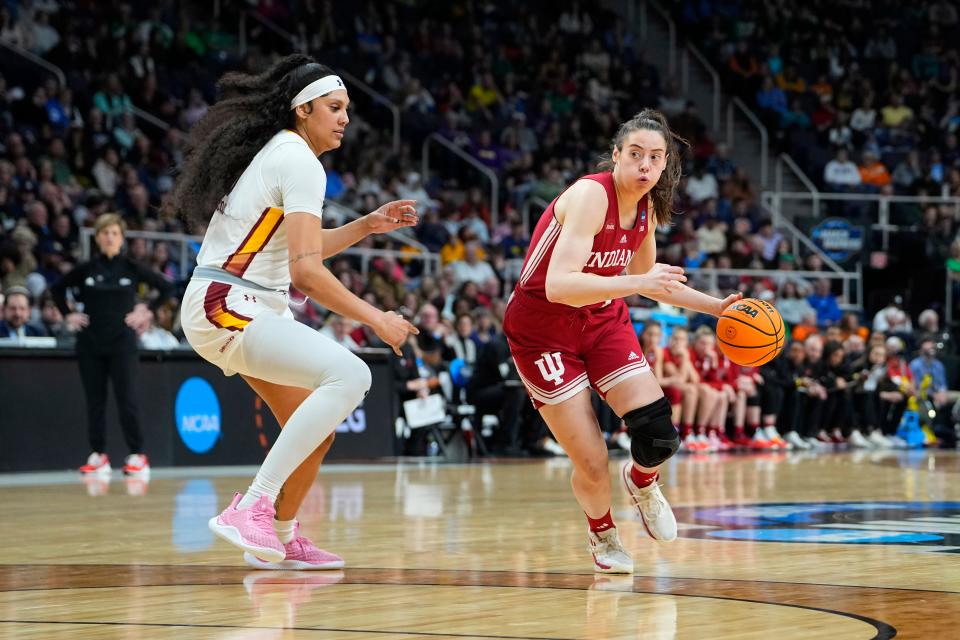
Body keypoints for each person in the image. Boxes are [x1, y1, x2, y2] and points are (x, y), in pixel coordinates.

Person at [169, 55, 419, 569]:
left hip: (241, 302)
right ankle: (254, 505)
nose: (345, 118)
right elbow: (305, 273)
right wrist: (377, 318)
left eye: (347, 108)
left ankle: (280, 535)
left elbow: (296, 250)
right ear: (303, 109)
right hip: (227, 302)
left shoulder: (283, 152)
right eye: (335, 107)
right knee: (351, 373)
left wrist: (366, 227)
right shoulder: (300, 161)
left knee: (316, 432)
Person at [502, 109, 741, 573]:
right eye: (635, 155)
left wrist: (717, 308)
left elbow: (649, 281)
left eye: (655, 157)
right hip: (542, 331)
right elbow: (560, 285)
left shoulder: (647, 209)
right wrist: (635, 282)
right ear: (616, 155)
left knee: (659, 434)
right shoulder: (592, 195)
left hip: (602, 319)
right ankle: (604, 535)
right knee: (591, 460)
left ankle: (643, 481)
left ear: (665, 163)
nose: (645, 166)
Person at [51, 213, 175, 476]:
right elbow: (56, 289)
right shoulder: (86, 269)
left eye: (114, 233)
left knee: (127, 399)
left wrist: (147, 311)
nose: (109, 237)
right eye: (105, 233)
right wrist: (68, 313)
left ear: (121, 238)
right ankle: (98, 456)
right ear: (97, 238)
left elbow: (166, 287)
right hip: (90, 344)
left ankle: (137, 455)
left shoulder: (131, 267)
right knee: (94, 401)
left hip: (122, 344)